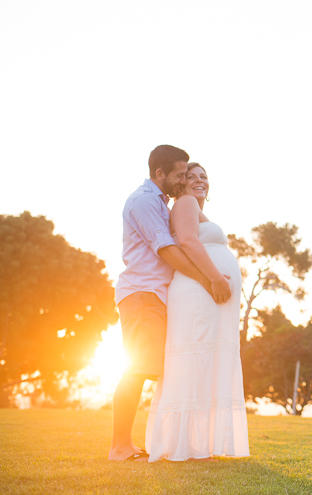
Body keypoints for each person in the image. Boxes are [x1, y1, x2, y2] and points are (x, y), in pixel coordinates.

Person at [110, 145, 232, 462]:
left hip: (158, 295)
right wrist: (210, 279)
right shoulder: (145, 200)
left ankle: (153, 440)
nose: (182, 180)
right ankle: (119, 446)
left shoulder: (161, 202)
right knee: (136, 369)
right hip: (142, 293)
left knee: (154, 368)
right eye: (179, 174)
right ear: (159, 173)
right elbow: (166, 250)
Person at [145, 162, 250, 462]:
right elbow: (189, 242)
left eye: (204, 176)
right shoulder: (186, 203)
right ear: (181, 184)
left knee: (204, 361)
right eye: (192, 177)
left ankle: (196, 443)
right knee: (195, 359)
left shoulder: (192, 207)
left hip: (205, 295)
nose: (200, 181)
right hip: (197, 294)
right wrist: (216, 277)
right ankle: (183, 444)